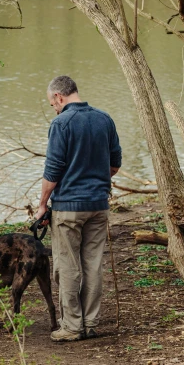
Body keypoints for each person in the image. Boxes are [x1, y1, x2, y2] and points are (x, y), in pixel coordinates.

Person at [33, 75, 122, 341]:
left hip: (69, 208)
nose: (54, 108)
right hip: (98, 205)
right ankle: (91, 323)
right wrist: (94, 178)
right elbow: (115, 164)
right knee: (93, 264)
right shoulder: (104, 119)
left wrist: (41, 205)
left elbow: (53, 170)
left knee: (67, 265)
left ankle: (72, 327)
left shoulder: (61, 123)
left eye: (52, 104)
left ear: (59, 97)